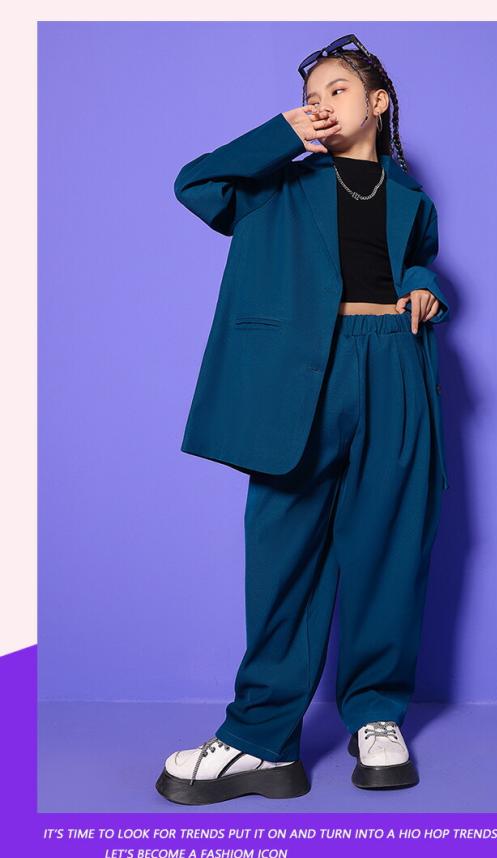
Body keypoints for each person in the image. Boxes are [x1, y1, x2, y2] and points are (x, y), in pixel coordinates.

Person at [156, 34, 451, 806]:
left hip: (394, 362)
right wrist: (280, 134)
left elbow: (417, 255)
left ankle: (377, 714)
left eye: (336, 90)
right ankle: (261, 737)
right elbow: (195, 184)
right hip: (301, 375)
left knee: (389, 542)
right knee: (283, 552)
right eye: (310, 96)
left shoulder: (412, 197)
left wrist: (423, 284)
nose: (321, 103)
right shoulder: (275, 184)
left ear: (376, 103)